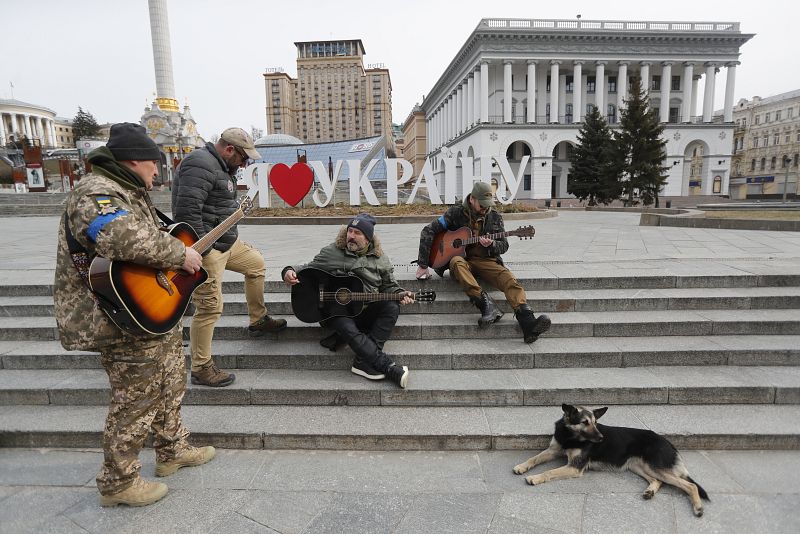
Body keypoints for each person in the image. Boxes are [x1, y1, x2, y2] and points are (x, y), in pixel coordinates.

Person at [53, 123, 215, 507]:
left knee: (171, 381)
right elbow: (119, 236)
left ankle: (172, 449)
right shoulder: (96, 192)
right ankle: (118, 482)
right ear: (136, 160)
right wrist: (180, 255)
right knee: (135, 398)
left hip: (143, 311)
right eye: (154, 164)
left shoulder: (128, 191)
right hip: (114, 315)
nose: (158, 171)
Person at [172, 127, 286, 387]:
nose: (245, 163)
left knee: (256, 264)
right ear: (229, 149)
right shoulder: (199, 164)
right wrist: (205, 250)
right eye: (243, 158)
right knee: (210, 307)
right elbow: (187, 213)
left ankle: (258, 320)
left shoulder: (223, 168)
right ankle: (201, 367)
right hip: (207, 248)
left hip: (227, 243)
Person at [282, 213, 412, 388]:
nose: (351, 236)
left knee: (392, 306)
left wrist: (400, 293)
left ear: (368, 239)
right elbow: (307, 268)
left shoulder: (381, 259)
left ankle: (362, 361)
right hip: (337, 312)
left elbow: (390, 286)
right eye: (350, 231)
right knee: (342, 319)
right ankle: (387, 366)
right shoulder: (332, 252)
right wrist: (289, 271)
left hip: (365, 310)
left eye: (357, 233)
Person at [415, 181, 551, 343]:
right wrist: (423, 264)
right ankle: (486, 305)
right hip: (463, 262)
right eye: (482, 204)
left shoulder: (495, 217)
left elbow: (504, 245)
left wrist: (493, 244)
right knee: (456, 261)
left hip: (486, 260)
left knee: (508, 279)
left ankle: (528, 322)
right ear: (472, 199)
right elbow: (428, 230)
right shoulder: (455, 212)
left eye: (488, 204)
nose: (486, 208)